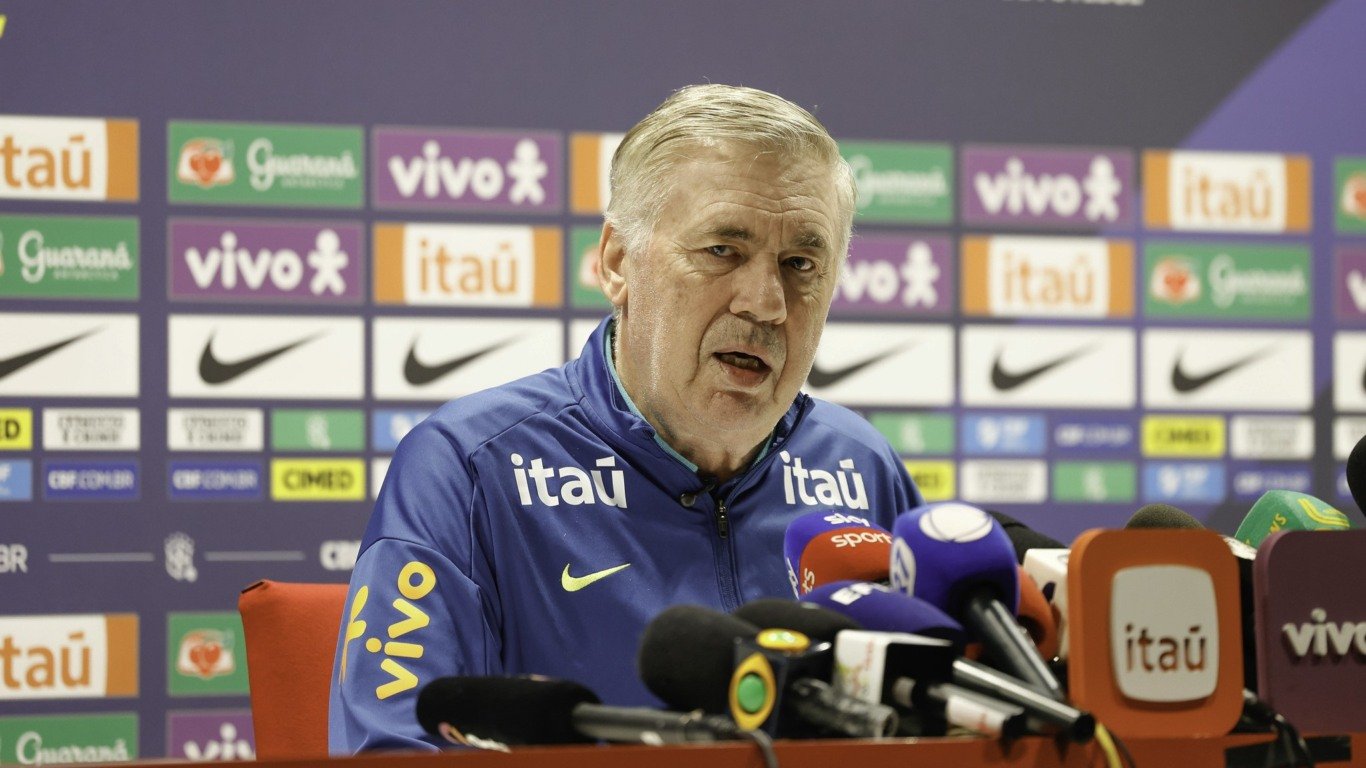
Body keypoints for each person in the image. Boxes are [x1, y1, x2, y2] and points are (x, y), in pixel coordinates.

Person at [329, 84, 924, 753]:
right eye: (722, 250)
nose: (767, 304)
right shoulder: (469, 467)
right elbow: (394, 749)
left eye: (800, 265)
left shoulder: (862, 468)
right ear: (618, 263)